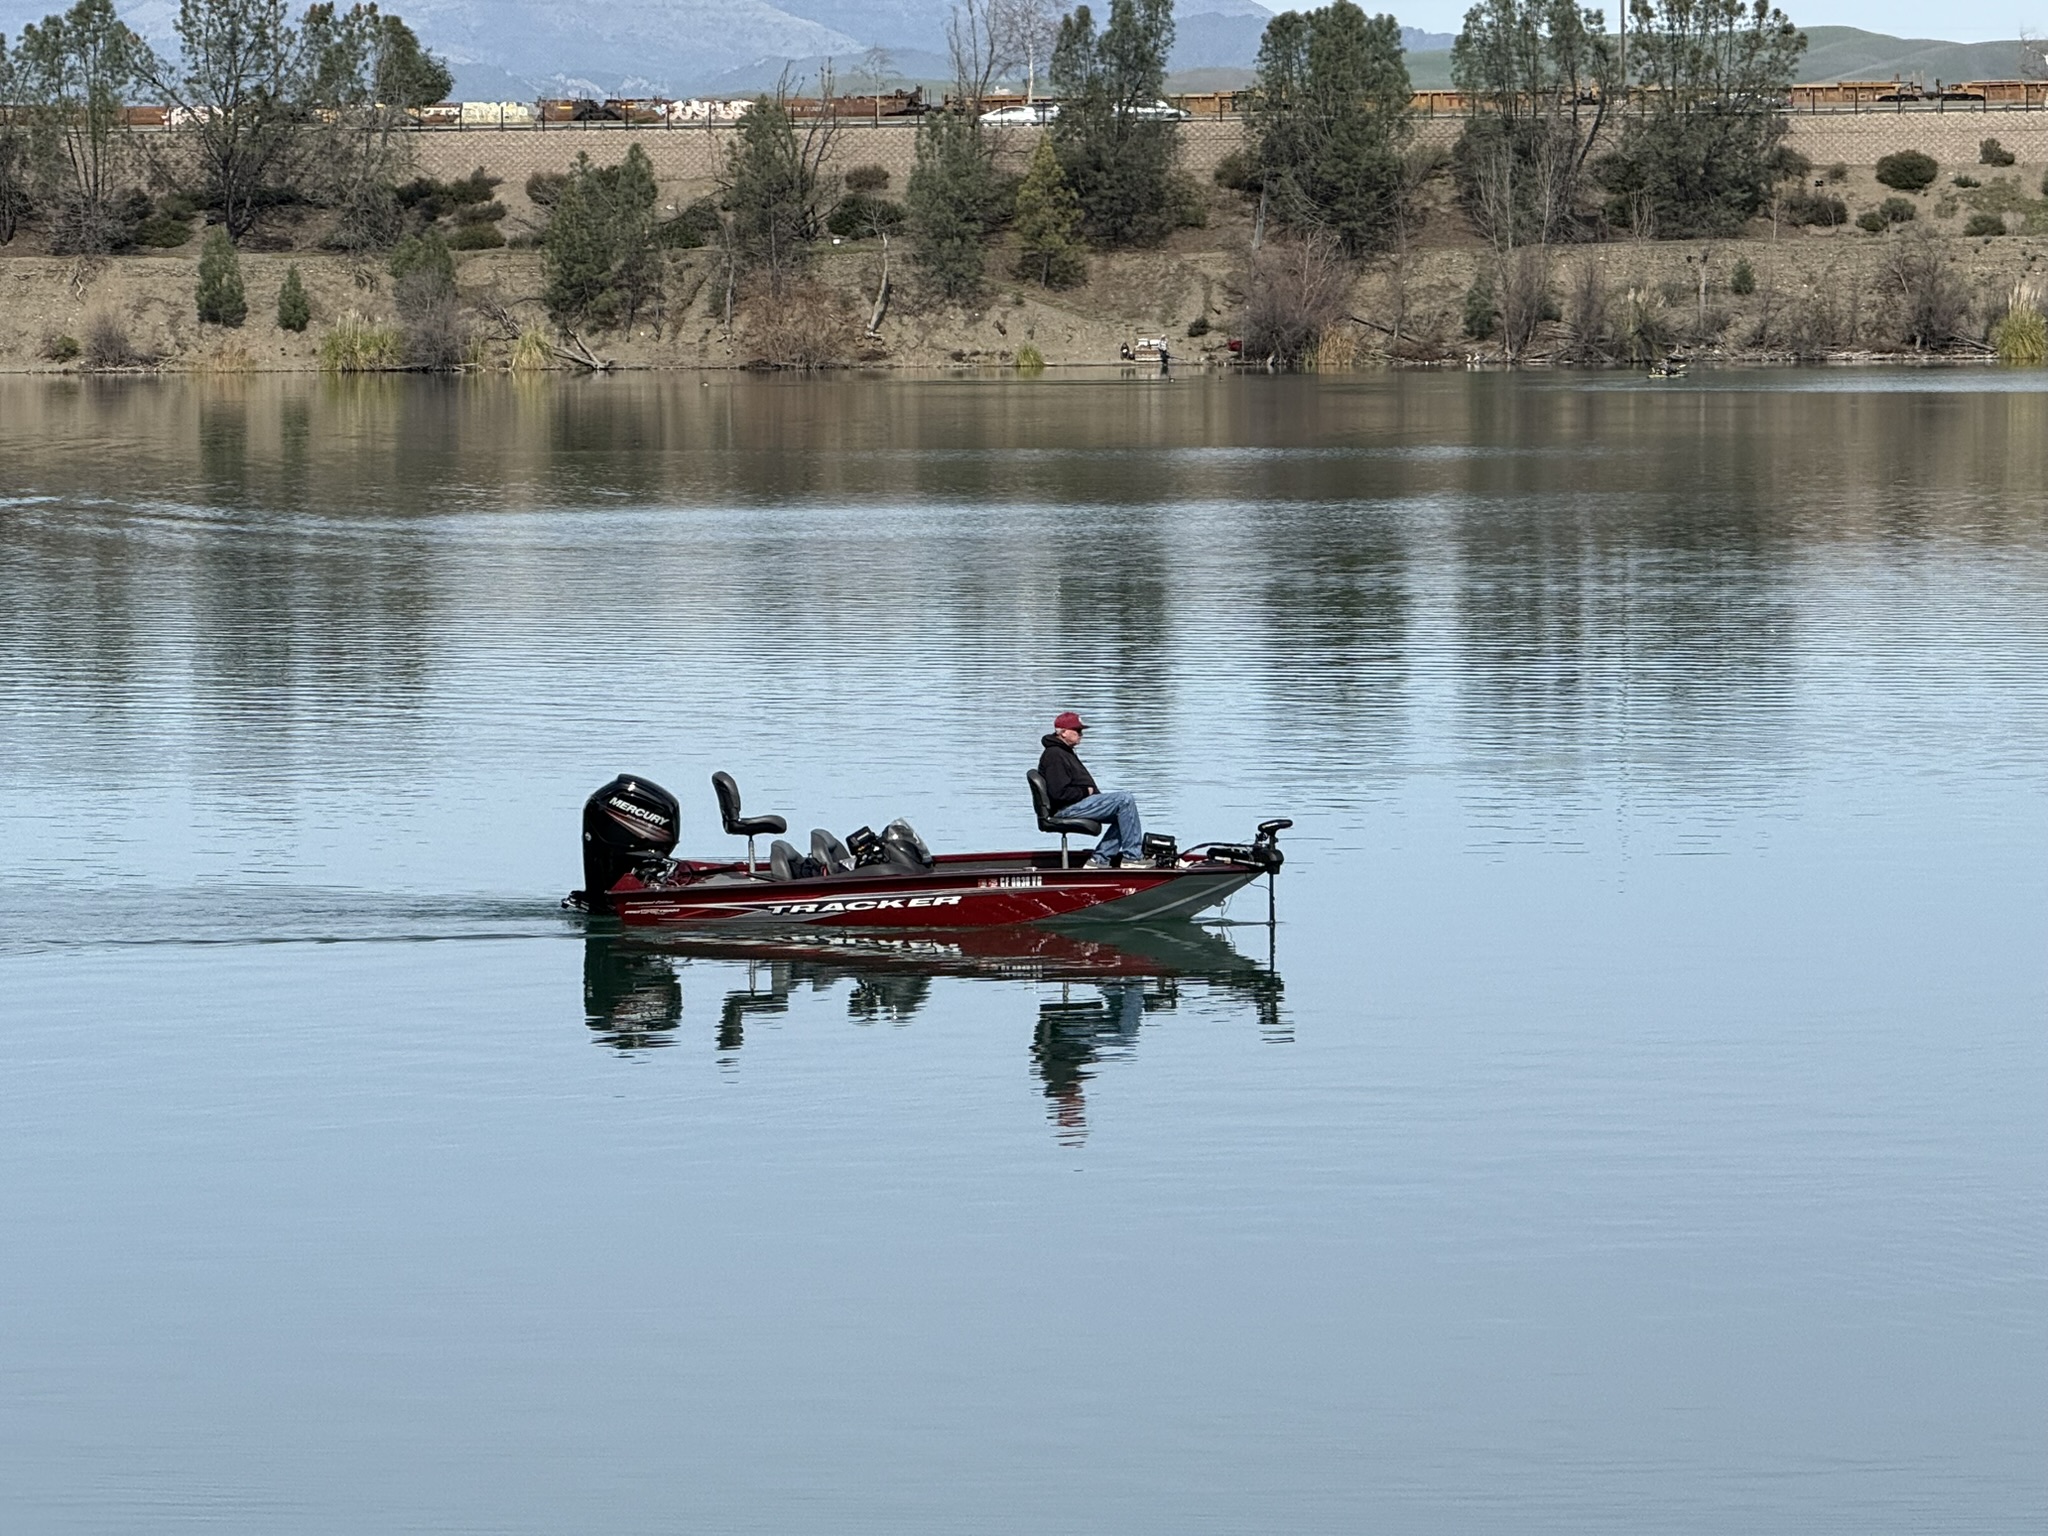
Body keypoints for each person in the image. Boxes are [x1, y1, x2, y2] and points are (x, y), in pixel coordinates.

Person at [1037, 711, 1143, 868]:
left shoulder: (1065, 752)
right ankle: (1133, 858)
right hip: (1065, 809)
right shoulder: (1054, 755)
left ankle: (1099, 860)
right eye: (1077, 731)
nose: (1081, 735)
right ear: (1063, 732)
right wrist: (1086, 792)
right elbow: (1059, 794)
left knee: (1125, 813)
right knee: (1125, 800)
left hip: (1076, 805)